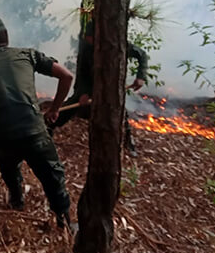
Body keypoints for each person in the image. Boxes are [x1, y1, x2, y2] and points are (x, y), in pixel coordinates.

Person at [0, 18, 74, 227]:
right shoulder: (27, 55)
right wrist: (54, 109)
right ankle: (64, 221)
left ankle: (17, 200)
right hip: (35, 131)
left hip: (4, 137)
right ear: (6, 39)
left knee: (9, 168)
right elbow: (67, 76)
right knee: (52, 176)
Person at [48, 20, 148, 154]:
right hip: (90, 85)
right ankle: (48, 129)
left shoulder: (116, 45)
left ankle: (127, 142)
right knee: (69, 107)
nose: (89, 41)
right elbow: (82, 73)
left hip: (111, 88)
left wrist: (141, 76)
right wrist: (83, 93)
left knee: (120, 115)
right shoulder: (86, 47)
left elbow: (142, 55)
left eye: (91, 38)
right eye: (87, 38)